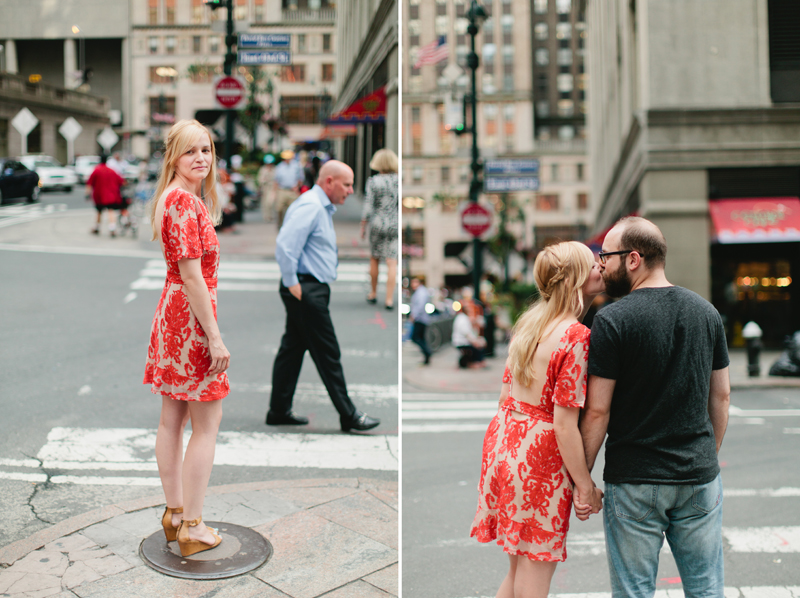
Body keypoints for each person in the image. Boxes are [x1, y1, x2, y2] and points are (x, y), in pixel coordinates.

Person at [580, 217, 731, 598]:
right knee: (706, 589)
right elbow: (722, 396)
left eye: (606, 256)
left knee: (634, 592)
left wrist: (581, 479)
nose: (601, 265)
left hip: (634, 480)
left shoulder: (612, 320)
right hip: (698, 476)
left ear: (633, 259)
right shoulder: (707, 312)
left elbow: (598, 412)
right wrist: (704, 456)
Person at [471, 241, 606, 598]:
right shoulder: (577, 336)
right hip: (538, 460)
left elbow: (505, 396)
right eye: (593, 264)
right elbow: (564, 424)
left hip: (505, 444)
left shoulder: (529, 323)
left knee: (518, 570)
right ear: (576, 277)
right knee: (534, 579)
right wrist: (585, 486)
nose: (601, 267)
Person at [143, 119, 231, 557]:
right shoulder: (185, 203)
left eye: (207, 150)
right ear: (173, 156)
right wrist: (215, 337)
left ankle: (176, 514)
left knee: (172, 420)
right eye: (191, 151)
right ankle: (192, 526)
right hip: (191, 321)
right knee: (206, 425)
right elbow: (194, 278)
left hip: (172, 315)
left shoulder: (172, 198)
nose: (201, 158)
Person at [268, 160, 380, 433]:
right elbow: (285, 245)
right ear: (329, 181)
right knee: (328, 352)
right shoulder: (312, 206)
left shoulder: (319, 205)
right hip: (306, 288)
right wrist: (293, 283)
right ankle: (349, 414)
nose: (351, 191)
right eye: (347, 184)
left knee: (292, 350)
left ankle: (278, 410)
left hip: (310, 287)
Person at [361, 149, 399, 310]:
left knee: (375, 257)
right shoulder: (399, 180)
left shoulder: (373, 181)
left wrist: (363, 225)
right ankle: (389, 299)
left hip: (377, 223)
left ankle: (373, 293)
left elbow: (368, 205)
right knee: (392, 261)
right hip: (394, 223)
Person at [86, 154, 125, 237]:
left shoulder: (96, 170)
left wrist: (87, 194)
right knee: (111, 210)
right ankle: (112, 228)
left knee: (99, 211)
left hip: (99, 195)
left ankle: (97, 227)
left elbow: (89, 183)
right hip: (111, 195)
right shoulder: (112, 170)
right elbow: (121, 181)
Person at [274, 150, 305, 227]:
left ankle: (291, 226)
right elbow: (276, 180)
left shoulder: (297, 166)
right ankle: (280, 226)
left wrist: (297, 188)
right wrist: (274, 192)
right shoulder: (279, 167)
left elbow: (300, 179)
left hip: (292, 191)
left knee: (293, 210)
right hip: (282, 190)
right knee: (279, 209)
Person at [452, 303, 487, 369]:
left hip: (463, 340)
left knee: (479, 343)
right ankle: (475, 362)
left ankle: (477, 361)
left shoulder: (464, 318)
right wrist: (475, 341)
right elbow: (467, 333)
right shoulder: (463, 319)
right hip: (462, 342)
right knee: (478, 346)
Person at [409, 278, 433, 365]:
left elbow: (420, 306)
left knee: (415, 337)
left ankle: (427, 352)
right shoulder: (421, 291)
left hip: (420, 319)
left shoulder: (421, 292)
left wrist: (414, 316)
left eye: (415, 282)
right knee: (421, 338)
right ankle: (426, 356)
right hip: (422, 318)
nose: (413, 284)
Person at [257, 154, 276, 222]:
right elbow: (260, 180)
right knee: (265, 203)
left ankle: (271, 215)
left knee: (271, 202)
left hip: (273, 188)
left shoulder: (275, 169)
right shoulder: (263, 169)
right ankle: (267, 216)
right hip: (265, 188)